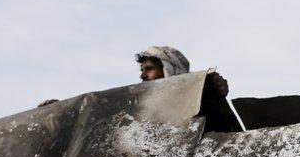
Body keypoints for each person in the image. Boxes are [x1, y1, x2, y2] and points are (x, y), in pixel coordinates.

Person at [39, 45, 241, 131]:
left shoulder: (200, 102)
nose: (142, 75)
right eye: (142, 69)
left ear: (169, 69)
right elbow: (99, 117)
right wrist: (64, 111)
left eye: (150, 69)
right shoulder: (136, 108)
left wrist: (211, 90)